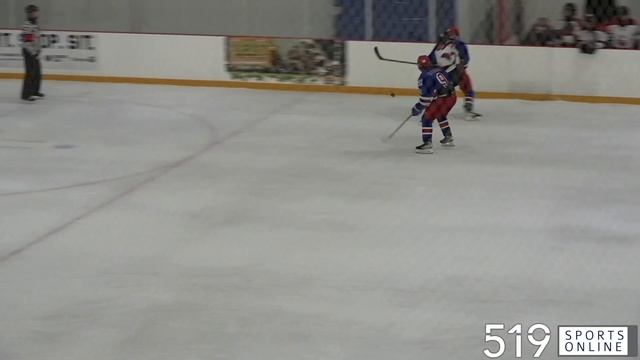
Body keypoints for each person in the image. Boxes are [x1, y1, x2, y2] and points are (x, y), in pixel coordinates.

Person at [410, 55, 457, 155]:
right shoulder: (438, 69)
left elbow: (426, 100)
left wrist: (417, 108)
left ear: (419, 66)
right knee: (440, 114)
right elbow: (449, 82)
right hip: (453, 97)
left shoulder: (424, 77)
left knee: (426, 118)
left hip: (443, 99)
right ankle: (448, 136)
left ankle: (427, 144)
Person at [428, 27, 477, 119]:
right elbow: (431, 59)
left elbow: (430, 59)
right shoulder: (456, 45)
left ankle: (468, 105)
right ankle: (468, 106)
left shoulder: (451, 45)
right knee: (465, 86)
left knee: (464, 86)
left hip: (448, 73)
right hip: (451, 73)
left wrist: (427, 64)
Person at [21, 4, 43, 102]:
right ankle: (26, 94)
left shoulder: (35, 24)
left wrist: (38, 50)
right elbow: (27, 43)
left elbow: (36, 38)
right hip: (29, 52)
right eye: (34, 12)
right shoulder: (27, 25)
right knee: (30, 73)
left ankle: (34, 91)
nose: (36, 14)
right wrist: (33, 53)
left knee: (37, 72)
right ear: (30, 14)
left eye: (37, 12)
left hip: (35, 51)